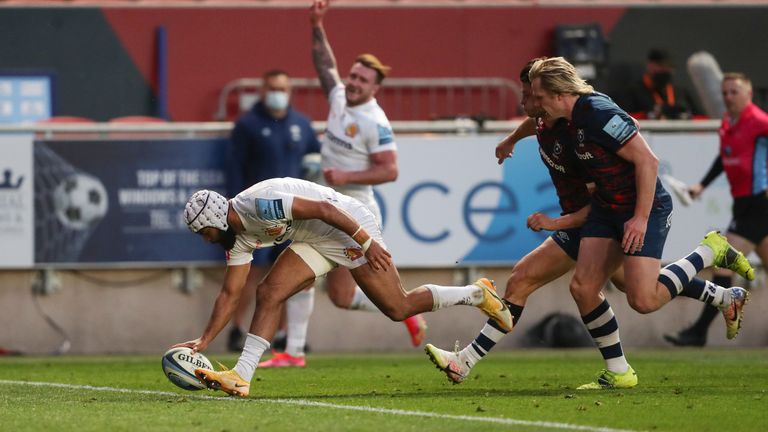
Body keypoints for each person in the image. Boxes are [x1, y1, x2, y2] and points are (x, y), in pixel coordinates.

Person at [173, 178, 512, 397]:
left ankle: (476, 293)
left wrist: (366, 243)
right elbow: (230, 294)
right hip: (314, 238)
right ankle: (241, 376)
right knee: (268, 292)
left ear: (216, 220)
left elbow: (324, 209)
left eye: (204, 233)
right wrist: (205, 340)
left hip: (346, 226)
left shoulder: (257, 206)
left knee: (399, 307)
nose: (206, 241)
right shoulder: (239, 238)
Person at [425, 59, 637, 390]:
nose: (526, 103)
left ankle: (465, 361)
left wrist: (557, 221)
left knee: (625, 291)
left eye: (530, 95)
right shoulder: (545, 120)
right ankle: (718, 290)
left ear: (546, 96)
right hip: (579, 222)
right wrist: (511, 139)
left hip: (594, 221)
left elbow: (599, 199)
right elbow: (532, 125)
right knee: (636, 287)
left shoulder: (576, 132)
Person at [526, 57, 752, 361]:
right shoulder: (568, 119)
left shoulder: (596, 112)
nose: (535, 104)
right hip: (607, 209)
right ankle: (619, 371)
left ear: (559, 94)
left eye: (539, 97)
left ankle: (709, 252)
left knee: (643, 300)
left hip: (643, 207)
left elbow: (648, 161)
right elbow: (536, 123)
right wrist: (510, 140)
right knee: (583, 287)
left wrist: (640, 218)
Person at [259, 0, 427, 368]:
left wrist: (348, 176)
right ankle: (294, 352)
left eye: (362, 80)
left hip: (354, 208)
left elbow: (390, 170)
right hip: (326, 203)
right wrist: (316, 25)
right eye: (352, 76)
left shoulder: (375, 122)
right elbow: (324, 64)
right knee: (323, 285)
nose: (353, 83)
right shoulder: (338, 97)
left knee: (331, 285)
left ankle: (407, 308)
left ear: (375, 88)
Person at [665, 72, 768, 347]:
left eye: (734, 92)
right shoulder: (727, 123)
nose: (728, 97)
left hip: (760, 203)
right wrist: (701, 185)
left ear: (748, 94)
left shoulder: (759, 122)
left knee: (723, 261)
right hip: (744, 203)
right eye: (725, 92)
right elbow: (725, 158)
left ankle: (698, 332)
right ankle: (698, 332)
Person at [226, 69, 321, 353]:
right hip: (255, 214)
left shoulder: (302, 125)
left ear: (289, 91)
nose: (277, 93)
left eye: (282, 88)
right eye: (272, 88)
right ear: (262, 90)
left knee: (289, 273)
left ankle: (283, 334)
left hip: (294, 216)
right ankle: (237, 329)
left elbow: (315, 159)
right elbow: (233, 168)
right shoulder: (248, 125)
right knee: (249, 272)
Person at [623, 49, 699, 120]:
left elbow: (703, 119)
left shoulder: (681, 93)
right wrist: (650, 114)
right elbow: (624, 119)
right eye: (661, 65)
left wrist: (686, 117)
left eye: (670, 66)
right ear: (649, 65)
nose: (666, 70)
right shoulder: (632, 91)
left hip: (680, 133)